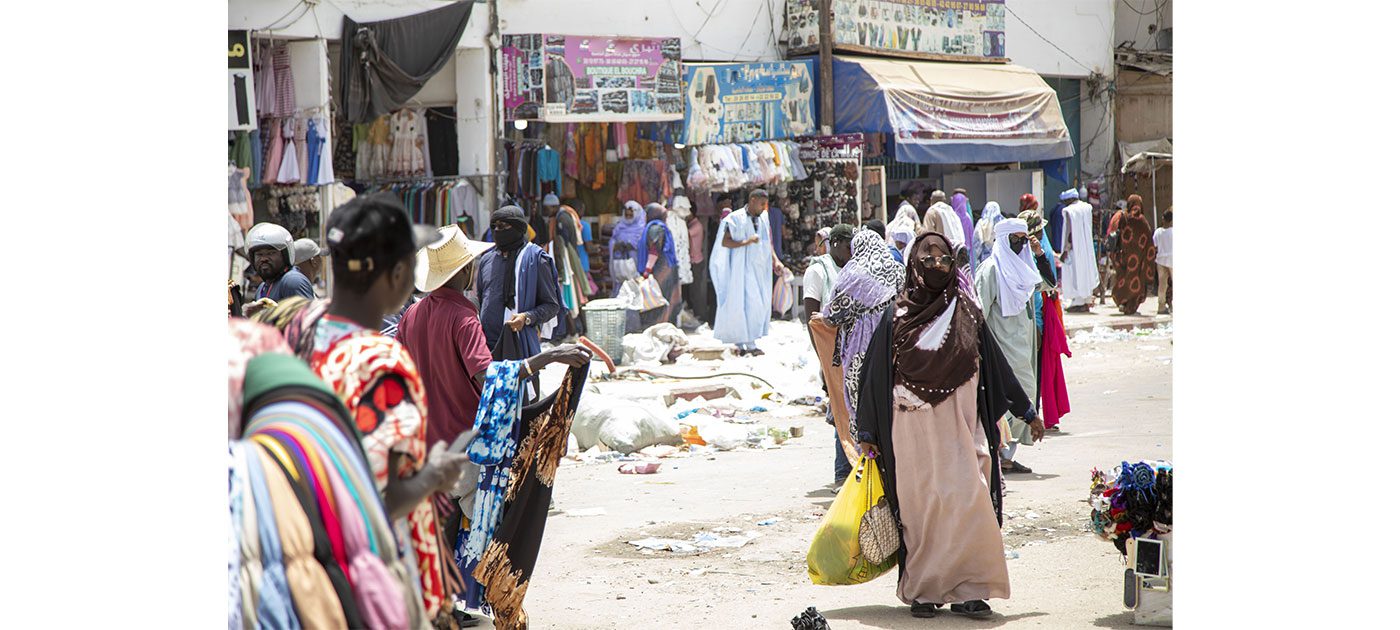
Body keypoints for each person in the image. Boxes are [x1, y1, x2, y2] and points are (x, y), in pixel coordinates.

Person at [250, 193, 474, 624]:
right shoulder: (381, 363)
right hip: (365, 577)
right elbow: (379, 497)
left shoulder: (300, 330)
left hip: (299, 558)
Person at [855, 232, 1038, 619]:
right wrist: (868, 433)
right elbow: (873, 376)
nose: (937, 265)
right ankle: (924, 589)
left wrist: (1027, 411)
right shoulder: (896, 316)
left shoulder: (967, 312)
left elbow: (996, 365)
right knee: (923, 509)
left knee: (968, 500)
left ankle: (971, 589)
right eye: (928, 257)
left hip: (962, 428)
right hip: (912, 431)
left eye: (943, 258)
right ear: (913, 264)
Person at [974, 218, 1053, 475]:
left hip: (1024, 346)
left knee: (1026, 396)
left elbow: (1049, 284)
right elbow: (978, 312)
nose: (1021, 244)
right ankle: (998, 453)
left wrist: (1040, 254)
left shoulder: (1024, 267)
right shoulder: (991, 271)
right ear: (1004, 239)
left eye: (1023, 239)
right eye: (1015, 239)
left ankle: (1007, 456)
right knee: (1006, 400)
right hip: (1001, 348)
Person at [823, 229, 904, 441]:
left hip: (861, 350)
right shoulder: (897, 271)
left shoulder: (852, 274)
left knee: (862, 403)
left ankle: (867, 458)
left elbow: (832, 315)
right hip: (894, 346)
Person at [478, 205, 563, 401]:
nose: (498, 231)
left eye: (504, 226)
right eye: (495, 226)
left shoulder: (536, 259)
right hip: (489, 350)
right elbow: (483, 299)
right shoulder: (487, 260)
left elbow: (552, 305)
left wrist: (526, 317)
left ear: (518, 228)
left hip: (521, 348)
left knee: (524, 412)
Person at [804, 224, 857, 487]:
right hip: (830, 350)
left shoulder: (852, 267)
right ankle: (842, 472)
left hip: (851, 348)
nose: (851, 251)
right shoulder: (818, 271)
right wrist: (823, 359)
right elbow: (811, 317)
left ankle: (851, 466)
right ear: (834, 243)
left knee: (849, 409)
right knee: (841, 408)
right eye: (848, 245)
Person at [710, 188, 781, 356]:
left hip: (759, 270)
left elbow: (767, 242)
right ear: (752, 200)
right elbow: (725, 242)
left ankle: (746, 342)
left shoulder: (763, 218)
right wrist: (746, 242)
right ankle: (748, 344)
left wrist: (775, 260)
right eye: (762, 204)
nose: (764, 208)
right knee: (745, 304)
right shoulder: (734, 219)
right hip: (740, 271)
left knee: (758, 305)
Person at [543, 194, 592, 332]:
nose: (545, 212)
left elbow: (562, 246)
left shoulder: (562, 219)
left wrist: (561, 270)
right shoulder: (563, 216)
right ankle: (581, 330)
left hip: (567, 265)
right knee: (575, 298)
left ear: (552, 206)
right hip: (569, 264)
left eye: (546, 208)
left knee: (570, 298)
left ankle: (576, 331)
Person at [638, 202, 683, 328]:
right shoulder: (659, 227)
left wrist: (647, 271)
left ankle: (660, 329)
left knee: (659, 300)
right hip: (665, 269)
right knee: (664, 299)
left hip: (660, 271)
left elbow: (654, 250)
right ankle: (664, 328)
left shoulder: (655, 228)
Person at [247, 222, 315, 303]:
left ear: (285, 256)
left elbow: (305, 315)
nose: (264, 259)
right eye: (259, 254)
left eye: (271, 253)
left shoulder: (292, 281)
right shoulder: (262, 287)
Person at [1110, 197, 1156, 315]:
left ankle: (1123, 301)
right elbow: (1149, 240)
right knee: (1137, 281)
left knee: (1124, 278)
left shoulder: (1124, 217)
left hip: (1125, 256)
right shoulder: (1142, 220)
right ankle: (1131, 306)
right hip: (1138, 259)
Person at [1059, 190, 1100, 313]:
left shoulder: (1070, 211)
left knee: (1075, 274)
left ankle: (1078, 301)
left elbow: (1069, 231)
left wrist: (1066, 249)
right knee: (1085, 271)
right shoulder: (1087, 208)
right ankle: (1085, 299)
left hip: (1074, 249)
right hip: (1086, 248)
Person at [609, 201, 646, 294]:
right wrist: (616, 245)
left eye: (631, 215)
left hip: (635, 263)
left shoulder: (642, 229)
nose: (628, 217)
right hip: (620, 264)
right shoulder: (619, 227)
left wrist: (633, 246)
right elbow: (612, 241)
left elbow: (644, 246)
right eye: (627, 215)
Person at [971, 201, 1005, 270]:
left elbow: (976, 243)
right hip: (1001, 258)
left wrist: (975, 258)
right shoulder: (1003, 223)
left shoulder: (981, 223)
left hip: (985, 260)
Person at [1153, 209, 1173, 315]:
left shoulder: (1158, 232)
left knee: (1162, 284)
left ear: (1163, 219)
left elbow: (1155, 246)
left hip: (1160, 260)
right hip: (1172, 259)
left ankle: (1161, 306)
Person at [949, 188, 977, 254]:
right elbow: (971, 236)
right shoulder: (967, 217)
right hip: (967, 249)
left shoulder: (951, 216)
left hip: (954, 248)